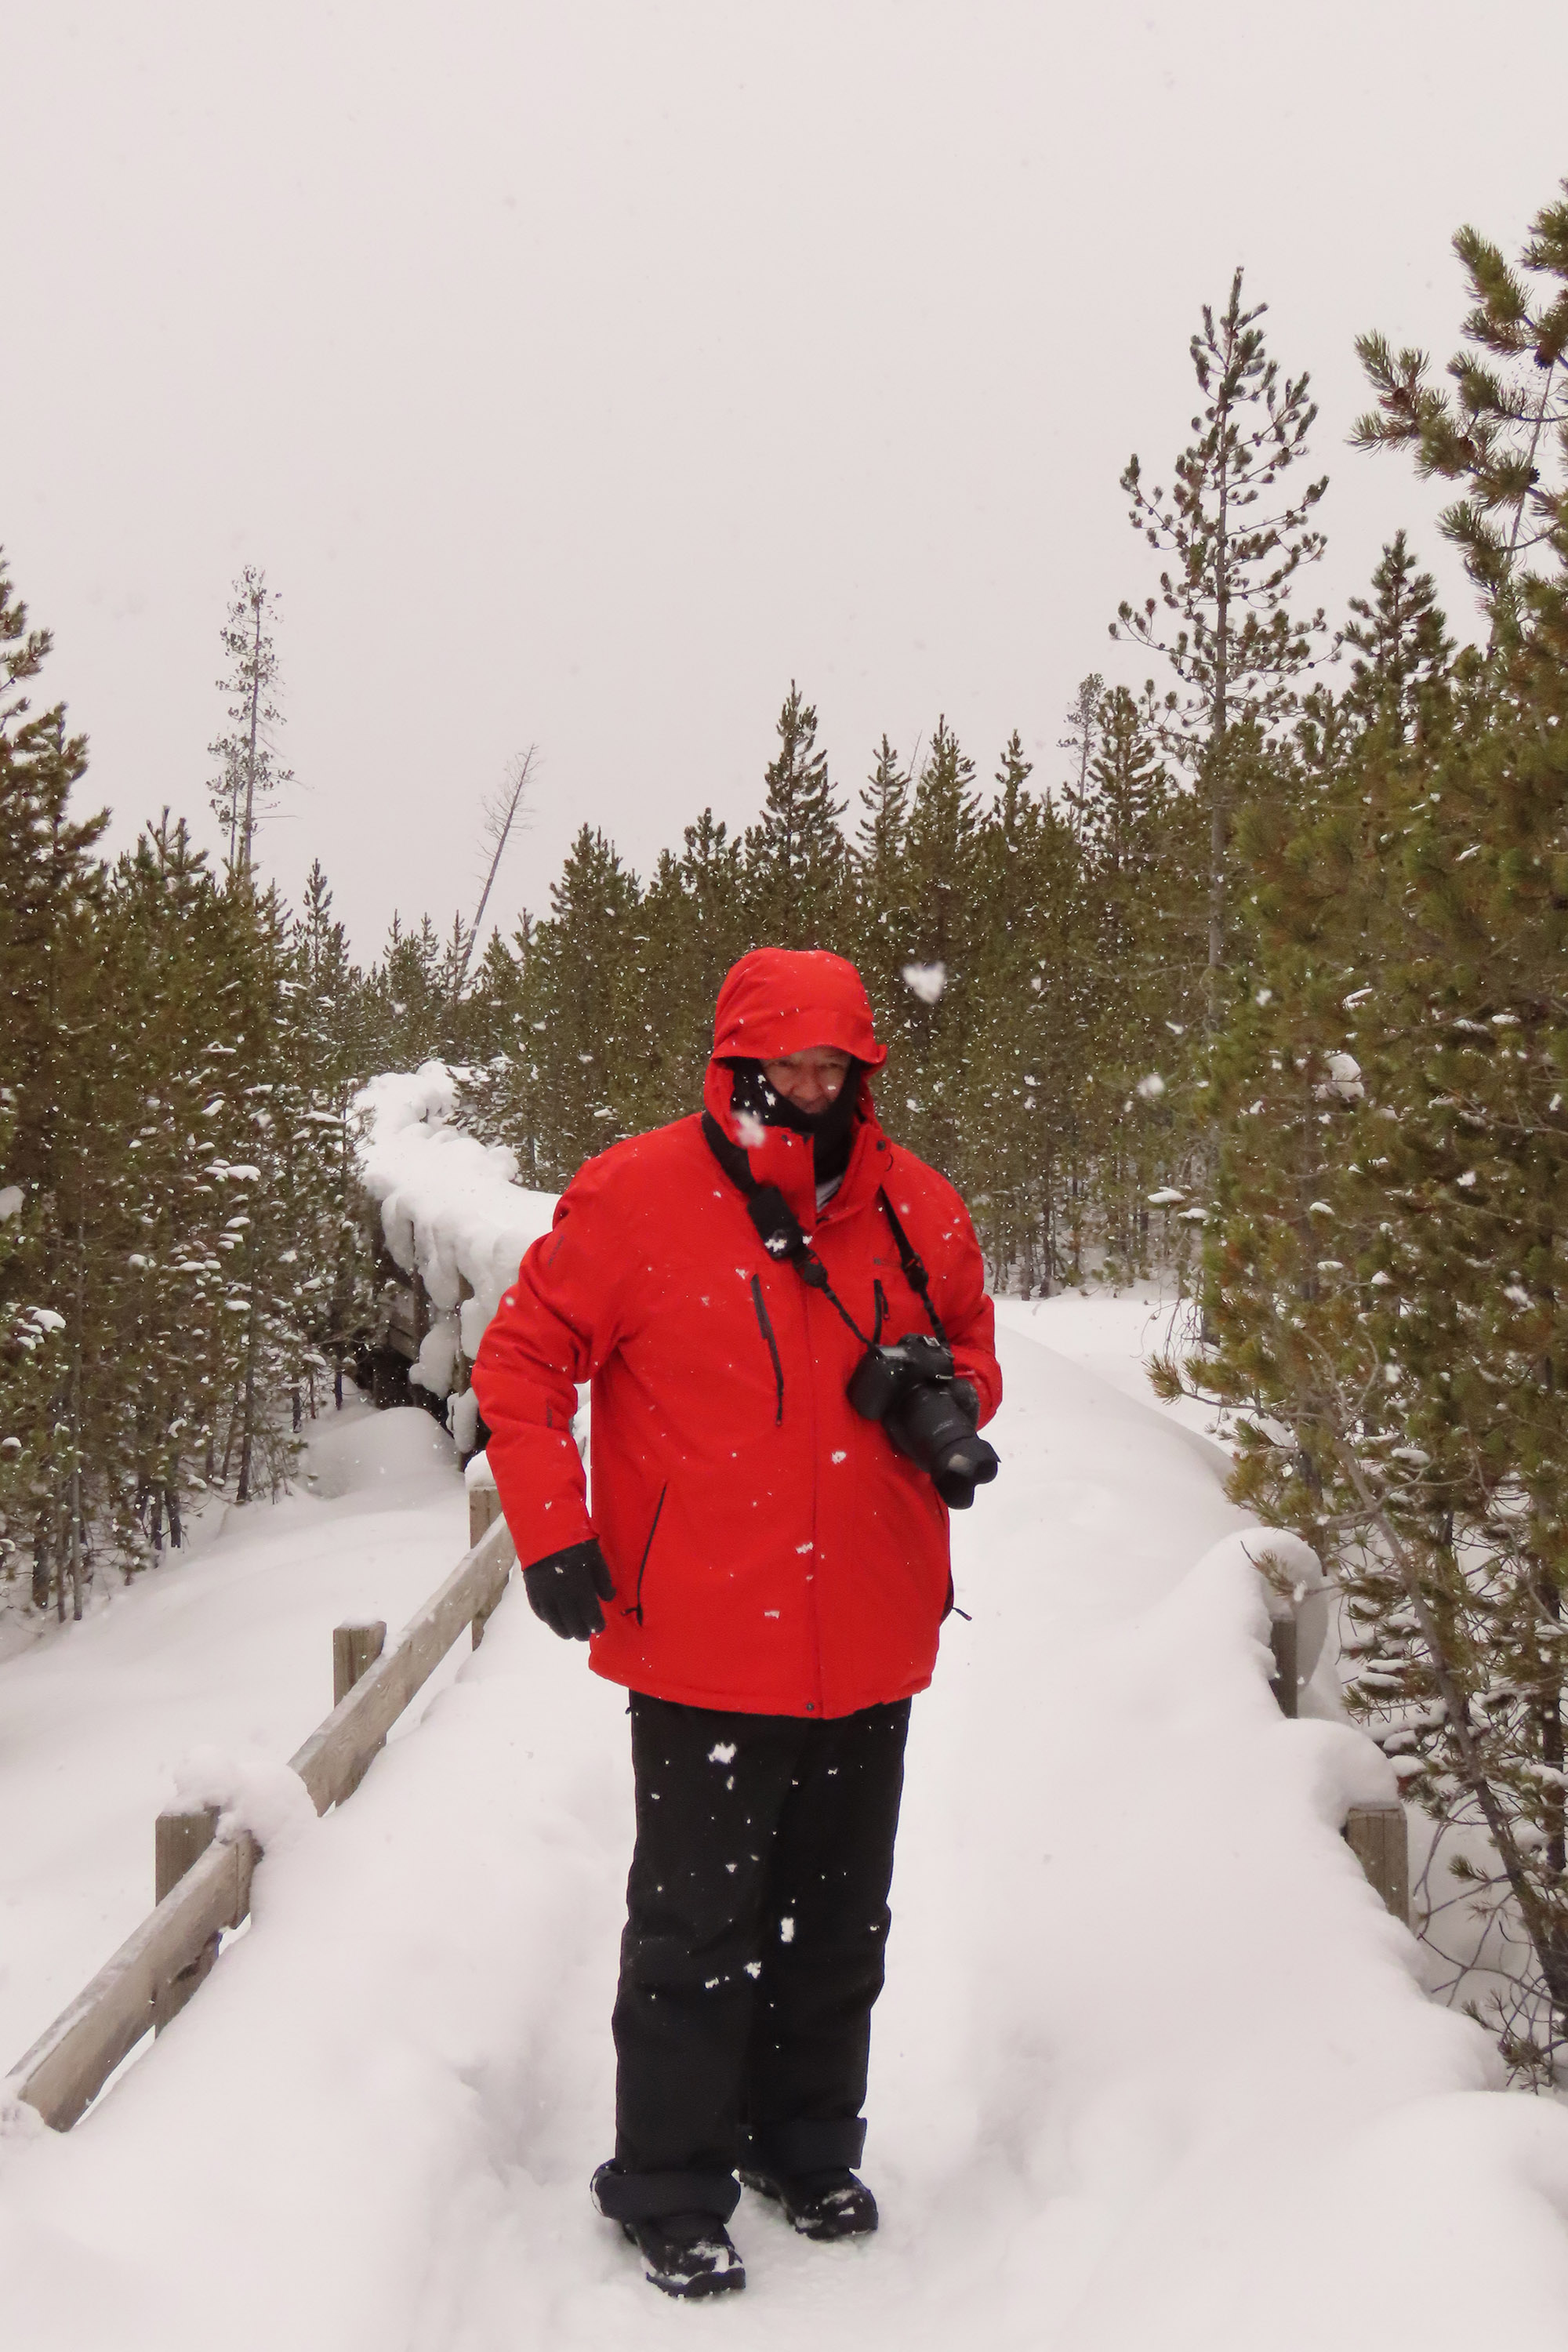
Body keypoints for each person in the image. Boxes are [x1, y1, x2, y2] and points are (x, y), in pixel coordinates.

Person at [472, 945, 1002, 2298]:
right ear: (735, 1064)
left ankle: (805, 2145)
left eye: (838, 1066)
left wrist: (945, 1390)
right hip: (705, 1637)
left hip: (871, 1630)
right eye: (790, 1064)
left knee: (840, 1924)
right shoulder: (635, 1196)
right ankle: (668, 2183)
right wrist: (553, 1526)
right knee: (695, 1934)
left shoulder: (918, 1206)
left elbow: (975, 1352)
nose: (814, 1087)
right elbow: (522, 1362)